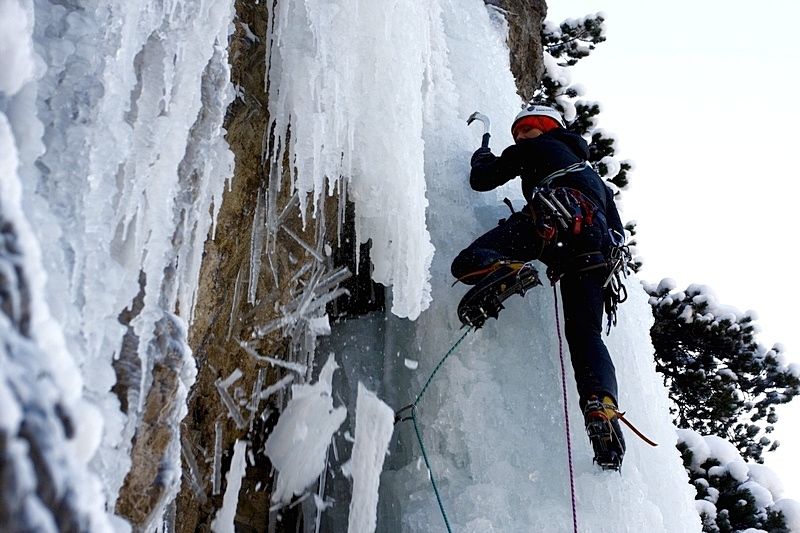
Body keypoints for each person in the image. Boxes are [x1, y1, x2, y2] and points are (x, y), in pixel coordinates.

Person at [451, 104, 627, 470]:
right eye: (517, 135)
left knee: (469, 262)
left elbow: (483, 178)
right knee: (585, 333)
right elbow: (618, 230)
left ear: (545, 129)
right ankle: (602, 407)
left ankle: (508, 270)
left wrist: (482, 155)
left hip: (553, 222)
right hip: (594, 256)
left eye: (527, 130)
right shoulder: (595, 178)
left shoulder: (541, 146)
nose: (521, 137)